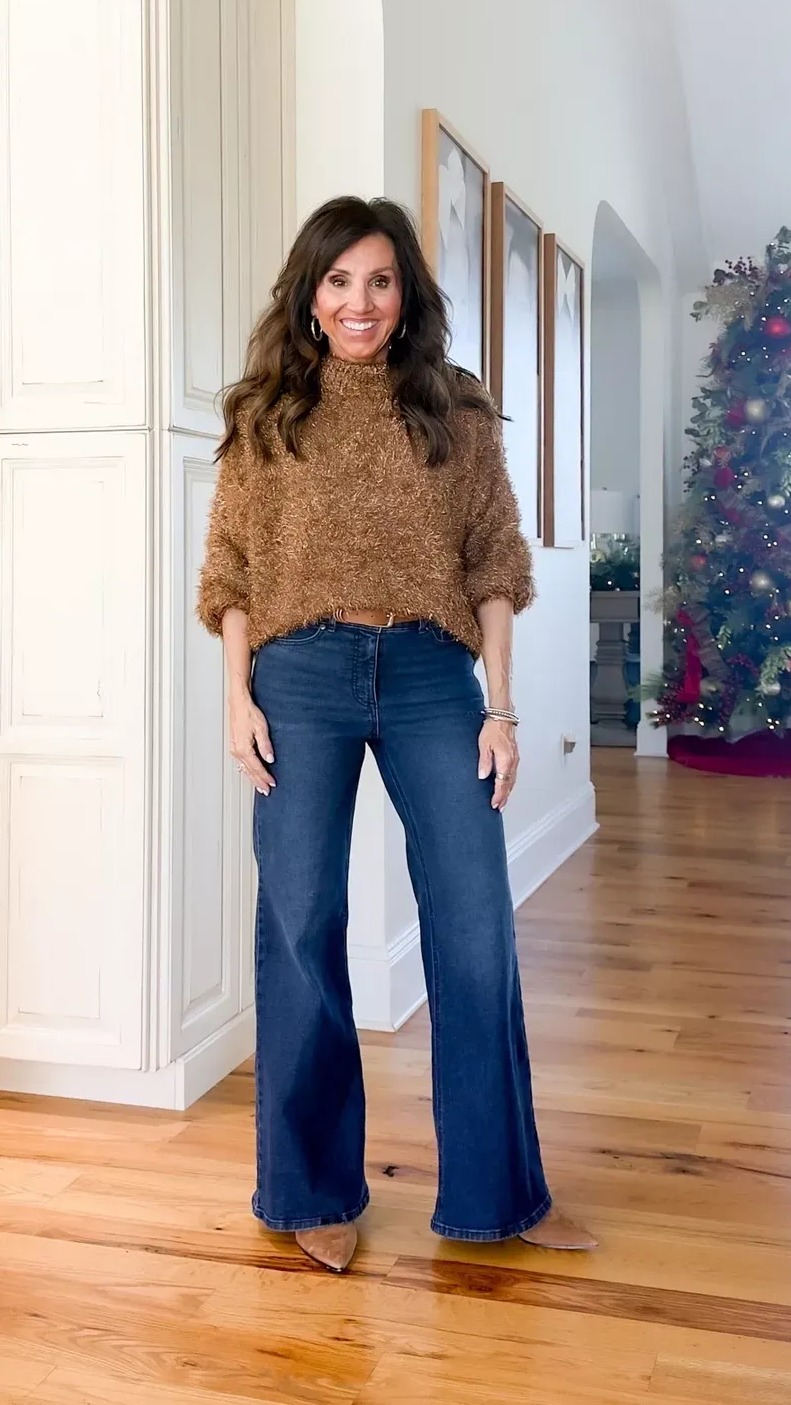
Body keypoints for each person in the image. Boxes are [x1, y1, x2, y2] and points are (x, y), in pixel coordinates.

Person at [197, 195, 596, 1273]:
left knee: (473, 925)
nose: (360, 302)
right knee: (301, 927)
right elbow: (229, 569)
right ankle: (309, 1187)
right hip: (298, 678)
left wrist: (501, 706)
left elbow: (496, 562)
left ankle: (500, 1191)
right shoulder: (264, 414)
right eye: (339, 282)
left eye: (380, 281)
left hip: (430, 673)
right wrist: (238, 697)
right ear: (310, 295)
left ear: (406, 292)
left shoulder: (455, 411)